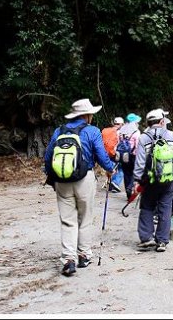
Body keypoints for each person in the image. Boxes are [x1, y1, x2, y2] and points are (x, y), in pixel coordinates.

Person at [44, 98, 115, 277]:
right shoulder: (92, 131)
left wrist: (53, 177)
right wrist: (110, 169)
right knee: (85, 218)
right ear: (87, 115)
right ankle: (84, 255)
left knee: (68, 220)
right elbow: (100, 154)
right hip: (85, 179)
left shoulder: (59, 131)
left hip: (62, 179)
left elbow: (47, 158)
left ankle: (68, 259)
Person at [133, 108, 173, 252]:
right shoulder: (172, 136)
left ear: (148, 123)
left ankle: (147, 237)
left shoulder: (143, 138)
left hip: (150, 180)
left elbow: (140, 163)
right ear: (162, 121)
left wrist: (137, 180)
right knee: (165, 208)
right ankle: (162, 241)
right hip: (168, 179)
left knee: (147, 206)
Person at [118, 113, 142, 198]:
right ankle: (130, 187)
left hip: (123, 155)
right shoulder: (136, 132)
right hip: (133, 155)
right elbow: (138, 145)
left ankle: (128, 194)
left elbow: (119, 143)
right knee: (134, 173)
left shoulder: (122, 131)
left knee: (126, 173)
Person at [101, 117, 125, 192]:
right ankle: (115, 183)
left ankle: (111, 185)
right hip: (116, 153)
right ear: (121, 124)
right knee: (121, 168)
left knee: (112, 168)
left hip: (107, 153)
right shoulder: (119, 132)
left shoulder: (106, 131)